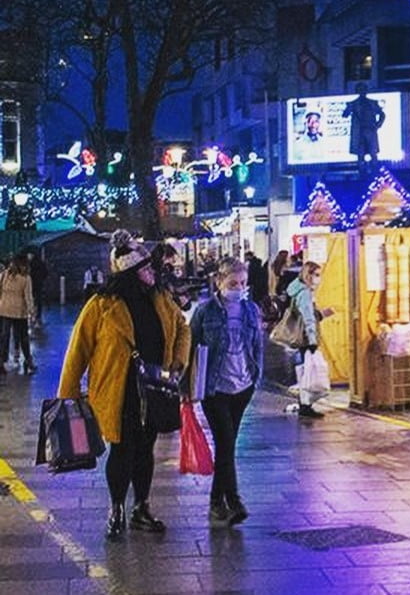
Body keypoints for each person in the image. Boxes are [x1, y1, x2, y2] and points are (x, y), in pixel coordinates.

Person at [57, 230, 191, 540]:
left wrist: (178, 362)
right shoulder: (102, 305)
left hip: (155, 387)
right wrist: (68, 395)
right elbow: (78, 349)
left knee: (146, 449)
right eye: (145, 268)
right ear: (131, 272)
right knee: (122, 449)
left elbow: (182, 329)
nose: (152, 272)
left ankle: (141, 507)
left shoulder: (161, 298)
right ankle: (116, 508)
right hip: (120, 390)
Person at [190, 258, 263, 527]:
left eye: (242, 283)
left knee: (226, 444)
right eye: (233, 283)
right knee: (225, 441)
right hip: (215, 388)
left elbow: (256, 348)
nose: (238, 288)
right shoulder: (205, 312)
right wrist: (188, 387)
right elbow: (192, 348)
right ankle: (232, 499)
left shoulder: (251, 311)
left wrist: (256, 377)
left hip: (243, 386)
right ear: (219, 282)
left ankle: (216, 502)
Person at [286, 261, 324, 419]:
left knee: (304, 370)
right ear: (308, 275)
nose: (318, 278)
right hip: (306, 337)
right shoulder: (305, 293)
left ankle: (304, 403)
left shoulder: (296, 290)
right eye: (316, 275)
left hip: (301, 336)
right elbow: (308, 318)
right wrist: (313, 339)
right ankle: (305, 405)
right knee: (308, 371)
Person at [0, 253, 35, 375]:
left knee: (4, 337)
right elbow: (28, 297)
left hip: (4, 310)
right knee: (23, 337)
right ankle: (28, 360)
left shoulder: (4, 275)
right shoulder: (25, 278)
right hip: (19, 312)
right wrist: (31, 311)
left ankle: (1, 362)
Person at [342, 83, 385, 162]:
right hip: (359, 133)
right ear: (357, 91)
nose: (362, 92)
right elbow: (344, 115)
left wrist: (378, 125)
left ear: (366, 91)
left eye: (363, 89)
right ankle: (362, 172)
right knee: (360, 155)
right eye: (360, 90)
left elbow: (382, 114)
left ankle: (375, 171)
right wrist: (348, 108)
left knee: (373, 154)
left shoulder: (372, 103)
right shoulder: (353, 103)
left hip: (370, 131)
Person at [25, 249, 47, 326]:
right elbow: (45, 273)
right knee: (38, 300)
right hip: (39, 284)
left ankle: (31, 314)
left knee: (31, 299)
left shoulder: (29, 264)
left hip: (32, 284)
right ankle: (37, 315)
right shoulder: (41, 263)